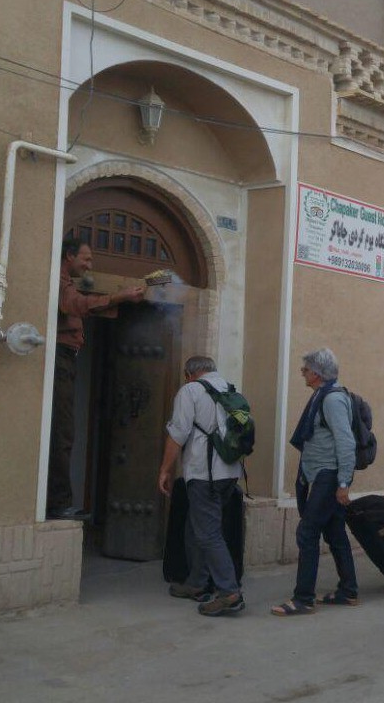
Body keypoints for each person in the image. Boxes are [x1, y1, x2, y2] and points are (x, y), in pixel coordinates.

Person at [47, 237, 145, 519]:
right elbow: (73, 305)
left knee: (64, 431)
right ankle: (58, 503)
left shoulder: (68, 282)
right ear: (69, 256)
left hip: (66, 359)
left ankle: (58, 501)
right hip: (59, 357)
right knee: (61, 432)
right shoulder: (60, 281)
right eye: (86, 259)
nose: (90, 265)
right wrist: (118, 297)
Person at [271, 348, 360, 616]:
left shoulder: (332, 399)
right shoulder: (322, 395)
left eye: (306, 369)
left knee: (307, 532)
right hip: (321, 473)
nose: (303, 373)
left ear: (318, 373)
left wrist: (343, 483)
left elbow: (346, 442)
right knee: (334, 532)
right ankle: (348, 591)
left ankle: (303, 599)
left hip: (328, 475)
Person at [157, 356, 245, 617]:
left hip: (205, 472)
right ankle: (196, 583)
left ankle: (229, 592)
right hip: (230, 472)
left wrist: (165, 469)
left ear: (189, 374)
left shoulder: (191, 391)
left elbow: (178, 432)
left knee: (208, 533)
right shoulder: (231, 390)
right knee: (196, 525)